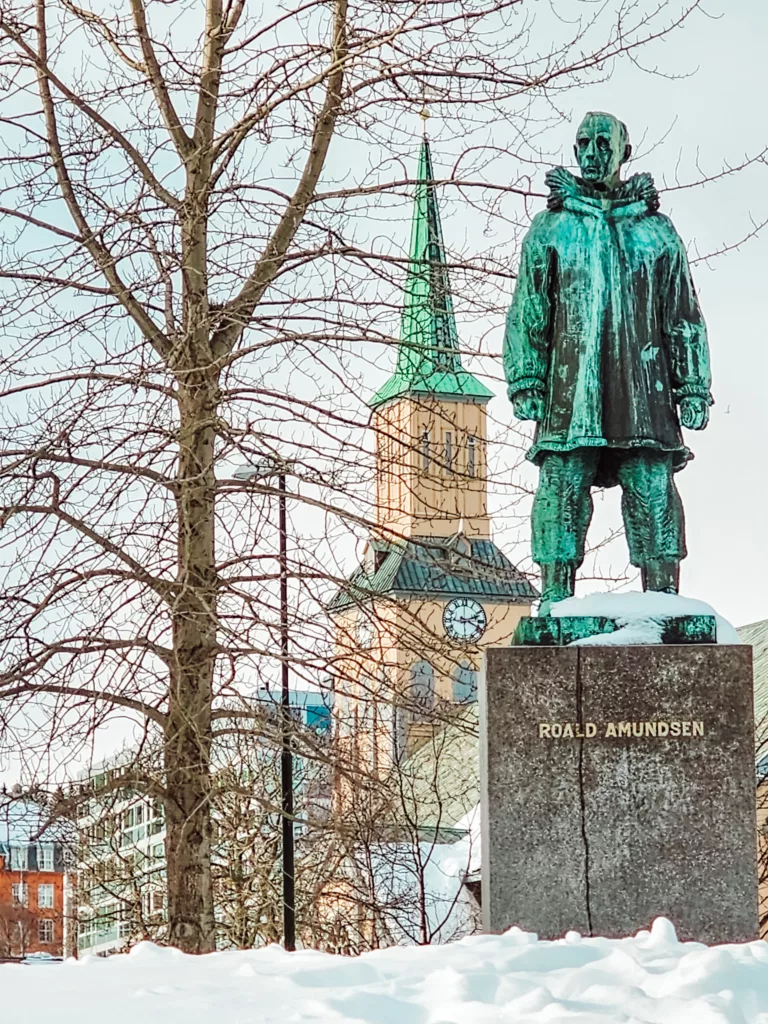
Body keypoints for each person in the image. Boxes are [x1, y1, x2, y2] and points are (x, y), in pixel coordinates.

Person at [503, 111, 713, 613]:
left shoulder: (657, 232)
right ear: (575, 153)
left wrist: (692, 385)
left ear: (624, 150)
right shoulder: (551, 228)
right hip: (571, 388)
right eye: (584, 143)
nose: (594, 152)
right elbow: (530, 307)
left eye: (604, 142)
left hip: (644, 387)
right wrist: (527, 376)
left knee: (652, 484)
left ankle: (663, 595)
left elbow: (682, 313)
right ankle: (555, 593)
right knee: (561, 483)